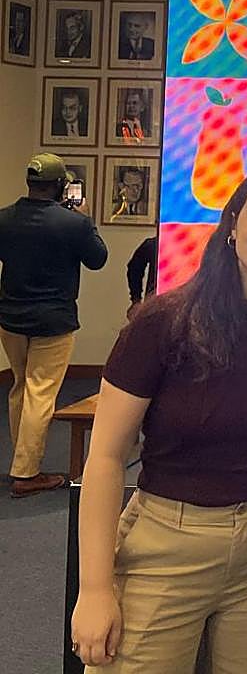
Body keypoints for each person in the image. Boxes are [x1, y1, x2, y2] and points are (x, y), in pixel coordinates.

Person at [71, 164, 247, 671]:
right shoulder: (163, 323)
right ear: (232, 225)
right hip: (165, 545)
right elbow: (104, 458)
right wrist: (95, 588)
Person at [0, 153, 107, 498]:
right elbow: (98, 259)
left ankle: (22, 460)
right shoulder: (73, 223)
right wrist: (86, 219)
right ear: (62, 185)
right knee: (41, 391)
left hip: (10, 317)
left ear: (30, 182)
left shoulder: (4, 219)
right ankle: (27, 473)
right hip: (54, 318)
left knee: (20, 386)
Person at [125, 236, 157, 319]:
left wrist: (136, 300)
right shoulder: (153, 245)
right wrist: (136, 299)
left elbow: (134, 268)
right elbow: (134, 268)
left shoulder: (153, 244)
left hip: (155, 307)